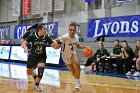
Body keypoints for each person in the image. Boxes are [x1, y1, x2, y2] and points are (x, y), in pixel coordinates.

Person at [22, 23, 60, 92]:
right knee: (29, 72)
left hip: (41, 57)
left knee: (41, 71)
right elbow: (24, 43)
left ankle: (37, 85)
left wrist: (57, 46)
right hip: (32, 57)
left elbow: (53, 46)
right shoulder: (32, 36)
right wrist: (25, 48)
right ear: (39, 30)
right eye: (44, 29)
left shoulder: (46, 37)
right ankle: (35, 77)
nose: (46, 30)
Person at [55, 21, 91, 90]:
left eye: (73, 30)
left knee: (77, 65)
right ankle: (78, 81)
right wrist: (53, 43)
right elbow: (56, 40)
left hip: (72, 53)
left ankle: (77, 83)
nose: (72, 31)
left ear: (75, 31)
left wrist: (85, 47)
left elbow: (78, 46)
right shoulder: (65, 37)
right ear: (69, 30)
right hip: (65, 56)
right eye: (70, 30)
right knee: (73, 71)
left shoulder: (76, 37)